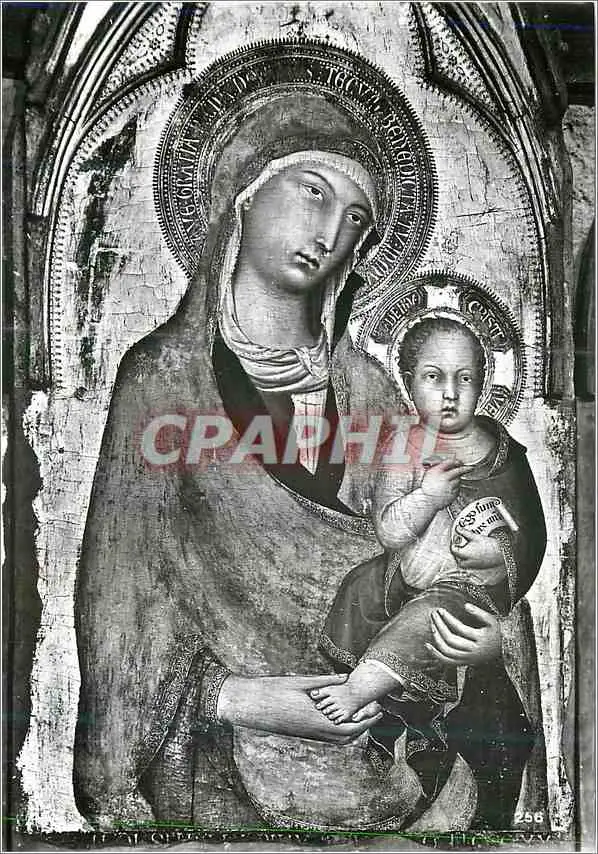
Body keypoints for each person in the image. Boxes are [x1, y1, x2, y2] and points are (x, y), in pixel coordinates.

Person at [73, 92, 543, 833]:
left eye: (355, 218)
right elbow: (123, 601)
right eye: (314, 192)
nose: (329, 232)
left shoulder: (376, 392)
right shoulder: (161, 382)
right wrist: (238, 699)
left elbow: (453, 566)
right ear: (245, 193)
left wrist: (488, 643)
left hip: (399, 751)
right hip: (220, 769)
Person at [311, 317, 548, 828]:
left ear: (484, 383)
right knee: (358, 589)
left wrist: (496, 555)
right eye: (434, 377)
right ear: (409, 381)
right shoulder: (404, 446)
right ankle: (384, 725)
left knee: (430, 618)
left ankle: (359, 691)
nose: (450, 393)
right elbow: (390, 531)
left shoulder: (501, 452)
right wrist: (428, 497)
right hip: (406, 572)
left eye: (465, 378)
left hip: (470, 590)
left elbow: (531, 534)